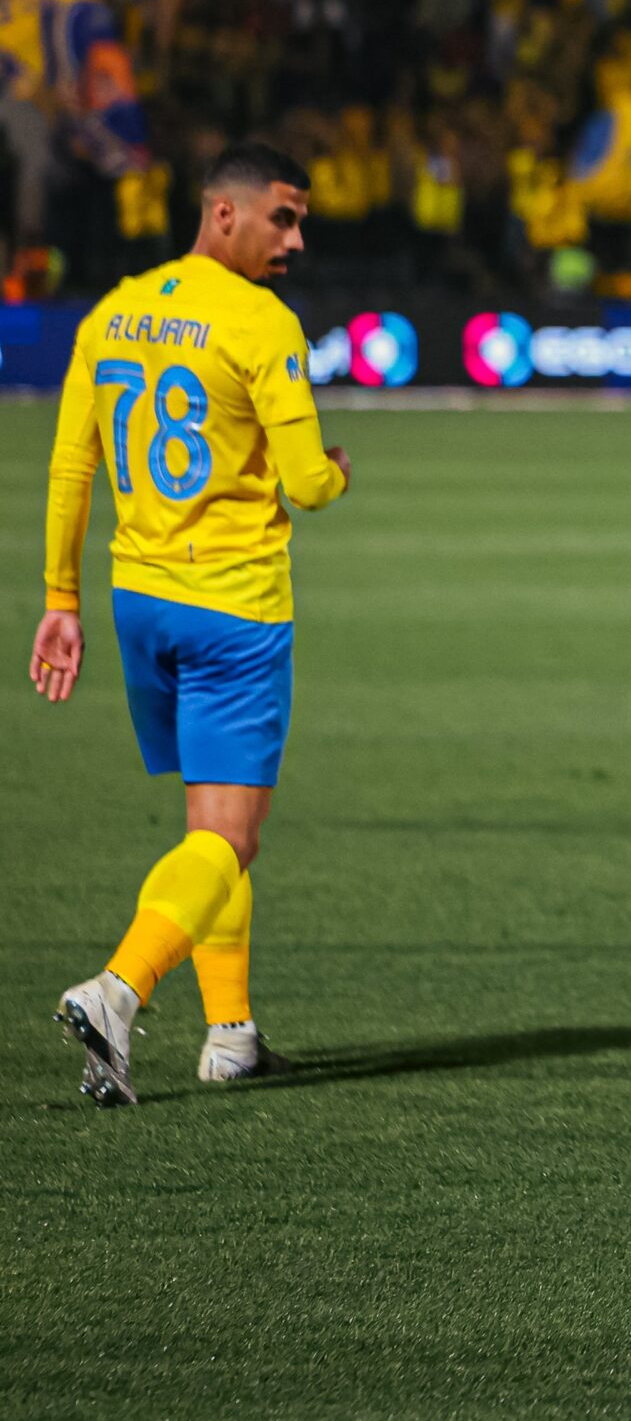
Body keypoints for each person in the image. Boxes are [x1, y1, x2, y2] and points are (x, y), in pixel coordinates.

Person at [35, 142, 352, 1106]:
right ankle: (119, 990)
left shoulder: (113, 312)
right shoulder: (260, 321)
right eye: (283, 218)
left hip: (141, 604)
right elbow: (308, 487)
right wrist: (335, 470)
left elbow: (72, 467)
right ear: (225, 215)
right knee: (233, 839)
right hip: (235, 610)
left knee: (205, 826)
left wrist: (60, 600)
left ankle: (231, 1033)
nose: (296, 238)